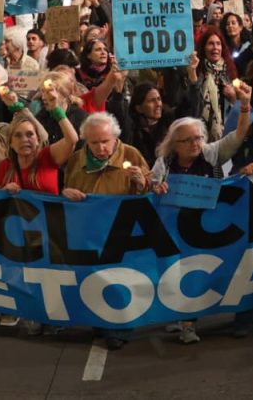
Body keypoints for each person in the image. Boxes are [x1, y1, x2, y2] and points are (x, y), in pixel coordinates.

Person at [150, 79, 253, 344]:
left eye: (198, 137)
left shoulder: (210, 154)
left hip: (205, 228)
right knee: (175, 275)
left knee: (197, 275)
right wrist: (156, 187)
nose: (195, 143)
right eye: (188, 140)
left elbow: (238, 135)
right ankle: (181, 318)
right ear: (175, 144)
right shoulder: (164, 163)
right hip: (173, 230)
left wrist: (244, 105)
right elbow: (150, 189)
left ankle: (188, 324)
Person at [61, 112, 150, 350]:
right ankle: (101, 324)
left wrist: (142, 183)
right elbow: (66, 187)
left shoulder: (131, 154)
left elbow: (150, 190)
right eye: (94, 142)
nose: (101, 148)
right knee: (94, 279)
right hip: (89, 232)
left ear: (115, 138)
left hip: (122, 231)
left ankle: (119, 329)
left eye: (105, 141)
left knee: (120, 280)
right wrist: (65, 193)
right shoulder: (76, 160)